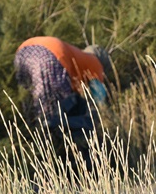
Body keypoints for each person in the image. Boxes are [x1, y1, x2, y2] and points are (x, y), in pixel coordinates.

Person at [13, 36, 113, 167]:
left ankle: (34, 154)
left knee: (33, 110)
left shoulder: (78, 57)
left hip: (23, 52)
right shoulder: (95, 62)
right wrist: (104, 120)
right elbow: (98, 97)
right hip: (50, 55)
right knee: (51, 116)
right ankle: (52, 162)